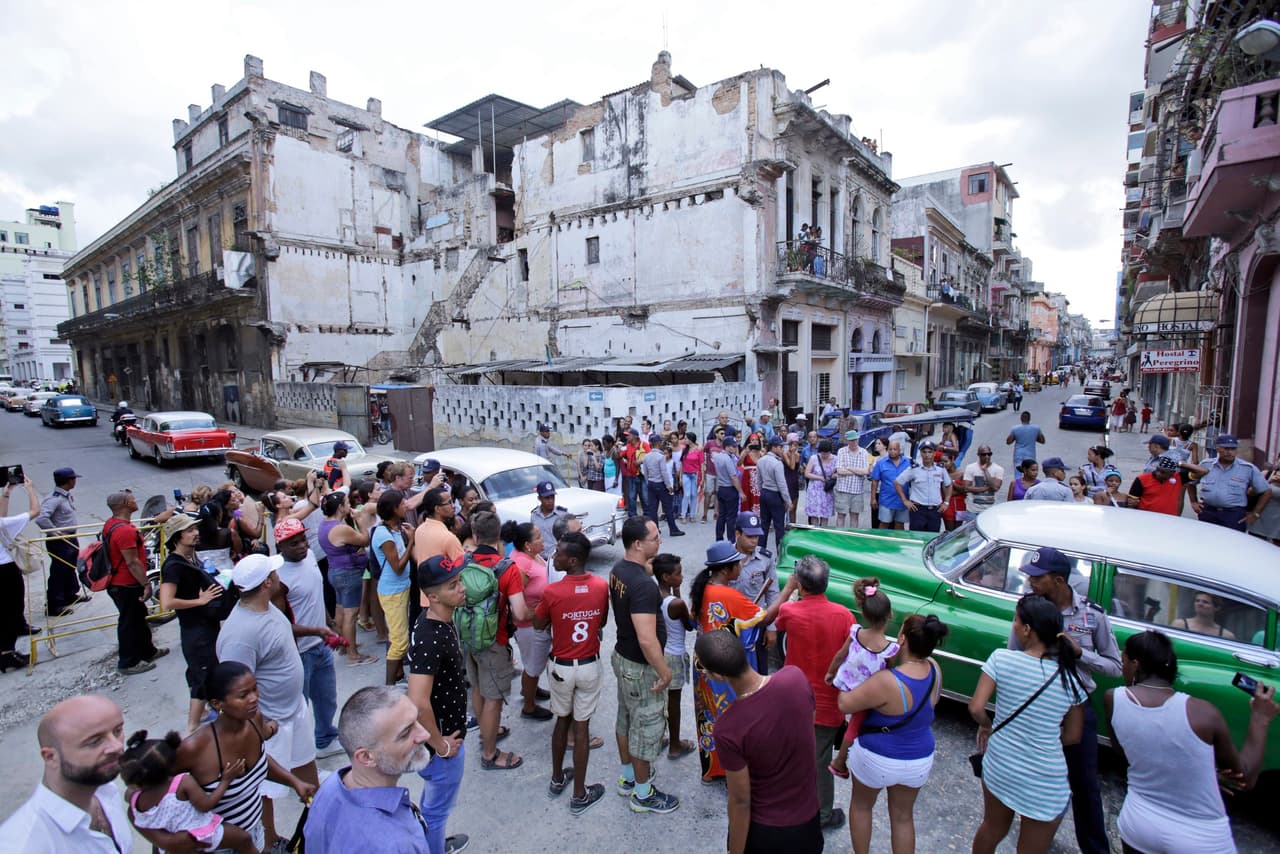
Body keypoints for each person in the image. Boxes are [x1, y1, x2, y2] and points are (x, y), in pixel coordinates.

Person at [1105, 630, 1278, 854]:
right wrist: (1261, 719)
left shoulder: (1113, 698)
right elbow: (1244, 778)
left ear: (1136, 664)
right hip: (1200, 838)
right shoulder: (1202, 713)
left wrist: (1202, 769)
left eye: (1123, 660)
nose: (1122, 667)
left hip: (1139, 825)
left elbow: (1127, 753)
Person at [1011, 547, 1120, 854]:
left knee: (1085, 785)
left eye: (1038, 577)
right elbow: (1014, 654)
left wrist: (1081, 653)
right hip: (1039, 708)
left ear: (1058, 580)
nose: (1031, 583)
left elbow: (1114, 666)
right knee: (1032, 778)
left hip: (1076, 708)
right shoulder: (1028, 609)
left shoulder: (1092, 615)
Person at [216, 553, 321, 849]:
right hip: (270, 722)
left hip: (293, 711)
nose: (279, 575)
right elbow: (233, 689)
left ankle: (320, 815)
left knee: (305, 765)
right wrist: (258, 725)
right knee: (264, 789)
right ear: (267, 583)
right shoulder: (240, 634)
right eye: (275, 573)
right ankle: (270, 840)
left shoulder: (268, 607)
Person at [970, 594, 1087, 854]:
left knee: (991, 829)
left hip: (1001, 763)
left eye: (1015, 620)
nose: (1013, 625)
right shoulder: (1070, 680)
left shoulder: (1002, 659)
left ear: (1027, 630)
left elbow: (976, 708)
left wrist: (987, 725)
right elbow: (1073, 736)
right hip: (1045, 780)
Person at [158, 662, 315, 854]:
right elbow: (153, 795)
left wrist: (294, 781)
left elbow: (260, 761)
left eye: (255, 689)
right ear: (217, 704)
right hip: (215, 848)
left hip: (253, 834)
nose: (254, 698)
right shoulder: (193, 749)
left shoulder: (254, 719)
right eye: (243, 695)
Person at [695, 629, 823, 854]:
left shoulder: (728, 728)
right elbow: (807, 729)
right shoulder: (794, 677)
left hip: (766, 832)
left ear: (716, 675)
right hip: (808, 821)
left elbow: (741, 801)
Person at [839, 614, 948, 854]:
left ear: (903, 639)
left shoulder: (886, 681)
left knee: (861, 806)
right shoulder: (935, 669)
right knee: (902, 817)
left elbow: (845, 704)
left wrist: (849, 673)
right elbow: (932, 702)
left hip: (877, 757)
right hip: (918, 758)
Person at [691, 540, 797, 783]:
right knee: (732, 717)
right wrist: (788, 590)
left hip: (703, 661)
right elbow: (765, 617)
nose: (741, 567)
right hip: (724, 663)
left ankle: (711, 770)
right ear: (727, 569)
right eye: (738, 563)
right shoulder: (728, 594)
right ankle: (734, 773)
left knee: (707, 714)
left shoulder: (703, 588)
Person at [775, 556, 854, 832]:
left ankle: (791, 803)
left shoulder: (791, 611)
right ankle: (821, 814)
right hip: (828, 704)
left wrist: (788, 590)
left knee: (793, 753)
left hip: (794, 698)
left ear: (801, 585)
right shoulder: (845, 615)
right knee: (820, 761)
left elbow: (777, 620)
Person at [304, 686, 432, 853]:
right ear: (365, 757)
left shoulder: (329, 787)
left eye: (417, 721)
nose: (425, 734)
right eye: (406, 733)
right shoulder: (396, 844)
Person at [533, 531, 609, 814]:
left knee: (561, 722)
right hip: (588, 664)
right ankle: (579, 793)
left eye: (561, 553)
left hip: (560, 667)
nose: (555, 556)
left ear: (574, 560)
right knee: (582, 727)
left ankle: (557, 778)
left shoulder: (552, 592)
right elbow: (601, 620)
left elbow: (540, 625)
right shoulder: (600, 587)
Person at [609, 516, 679, 814]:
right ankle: (642, 793)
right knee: (645, 727)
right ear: (637, 544)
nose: (659, 541)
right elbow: (648, 640)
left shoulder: (620, 569)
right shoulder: (642, 586)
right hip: (640, 667)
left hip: (623, 658)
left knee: (625, 719)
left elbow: (645, 569)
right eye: (654, 537)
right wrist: (665, 672)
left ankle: (628, 777)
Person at [0, 695, 132, 852]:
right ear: (50, 757)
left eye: (117, 731)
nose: (117, 746)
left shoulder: (104, 789)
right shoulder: (25, 846)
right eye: (95, 742)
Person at [406, 555, 471, 854]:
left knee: (436, 805)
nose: (461, 588)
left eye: (459, 581)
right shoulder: (431, 637)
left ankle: (433, 841)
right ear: (432, 596)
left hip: (446, 736)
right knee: (436, 810)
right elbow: (417, 701)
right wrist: (442, 746)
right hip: (443, 744)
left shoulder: (439, 620)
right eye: (452, 586)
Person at [272, 519, 346, 760]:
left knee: (327, 699)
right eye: (294, 543)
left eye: (303, 539)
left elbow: (316, 596)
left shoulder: (311, 558)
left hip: (320, 645)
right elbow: (281, 626)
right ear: (281, 546)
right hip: (298, 654)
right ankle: (295, 759)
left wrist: (329, 623)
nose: (302, 545)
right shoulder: (278, 580)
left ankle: (324, 740)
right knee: (298, 710)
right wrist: (317, 631)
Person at [119, 729, 256, 854]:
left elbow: (135, 810)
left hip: (171, 848)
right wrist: (225, 780)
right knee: (244, 839)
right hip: (201, 835)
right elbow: (206, 806)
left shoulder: (134, 801)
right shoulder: (182, 783)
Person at [158, 514, 233, 734]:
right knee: (203, 676)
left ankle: (201, 713)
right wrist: (199, 600)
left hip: (206, 625)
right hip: (195, 630)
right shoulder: (173, 565)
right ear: (177, 537)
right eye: (189, 530)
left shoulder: (192, 557)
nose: (195, 533)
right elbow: (166, 602)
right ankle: (191, 729)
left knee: (198, 672)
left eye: (195, 529)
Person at [826, 579, 899, 783]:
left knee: (839, 713)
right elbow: (888, 673)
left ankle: (834, 734)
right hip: (865, 694)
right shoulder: (890, 650)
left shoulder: (855, 632)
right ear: (889, 615)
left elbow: (840, 655)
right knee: (856, 723)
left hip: (844, 683)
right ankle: (839, 761)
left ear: (864, 613)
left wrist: (830, 673)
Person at [103, 490, 171, 675]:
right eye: (132, 499)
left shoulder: (112, 524)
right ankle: (128, 662)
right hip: (126, 584)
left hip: (123, 582)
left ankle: (147, 651)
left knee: (139, 618)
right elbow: (132, 562)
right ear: (125, 503)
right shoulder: (124, 530)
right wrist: (146, 584)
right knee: (129, 622)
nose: (135, 501)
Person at [319, 491, 378, 666]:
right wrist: (359, 519)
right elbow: (364, 540)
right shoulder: (341, 528)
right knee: (351, 614)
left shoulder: (325, 524)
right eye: (346, 502)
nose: (349, 505)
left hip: (335, 571)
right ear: (340, 508)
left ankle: (345, 644)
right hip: (348, 573)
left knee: (340, 610)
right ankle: (354, 654)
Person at [504, 521, 554, 721]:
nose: (543, 540)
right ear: (527, 545)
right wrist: (534, 612)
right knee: (533, 665)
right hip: (528, 626)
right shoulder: (520, 565)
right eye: (539, 537)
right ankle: (529, 706)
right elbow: (513, 597)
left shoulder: (530, 556)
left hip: (537, 622)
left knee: (535, 663)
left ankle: (531, 690)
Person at [654, 553, 696, 760]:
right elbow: (690, 625)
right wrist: (681, 596)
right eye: (678, 573)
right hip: (674, 654)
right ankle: (675, 745)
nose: (681, 576)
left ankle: (660, 737)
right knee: (674, 702)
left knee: (660, 699)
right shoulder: (676, 604)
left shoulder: (653, 596)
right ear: (665, 577)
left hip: (659, 653)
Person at [728, 511, 781, 673]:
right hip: (730, 627)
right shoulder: (725, 556)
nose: (754, 541)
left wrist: (772, 628)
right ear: (737, 534)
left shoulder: (765, 559)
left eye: (756, 537)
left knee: (759, 673)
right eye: (749, 536)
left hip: (757, 626)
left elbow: (773, 593)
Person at [372, 489, 416, 685]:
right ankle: (389, 687)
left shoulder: (395, 529)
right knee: (399, 642)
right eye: (402, 504)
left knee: (397, 634)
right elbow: (397, 567)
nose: (405, 505)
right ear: (394, 509)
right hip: (393, 591)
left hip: (400, 588)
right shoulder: (384, 535)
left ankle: (398, 675)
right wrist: (412, 541)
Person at [1187, 434, 1271, 532]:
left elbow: (1266, 491)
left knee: (1232, 544)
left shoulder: (1247, 468)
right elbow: (1191, 482)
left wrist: (1255, 514)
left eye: (1233, 449)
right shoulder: (1206, 465)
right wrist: (1193, 502)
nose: (1230, 452)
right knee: (1205, 542)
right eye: (1226, 448)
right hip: (1208, 511)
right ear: (1217, 448)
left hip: (1233, 515)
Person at [0, 474, 41, 671]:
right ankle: (7, 654)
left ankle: (6, 651)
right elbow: (35, 511)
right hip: (5, 570)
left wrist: (6, 495)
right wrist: (30, 489)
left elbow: (2, 517)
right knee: (12, 610)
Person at [32, 466, 84, 618]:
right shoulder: (54, 499)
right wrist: (55, 532)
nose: (75, 481)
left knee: (69, 567)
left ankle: (70, 594)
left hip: (70, 537)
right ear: (69, 481)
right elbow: (41, 518)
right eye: (74, 479)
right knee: (59, 570)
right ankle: (55, 604)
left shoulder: (66, 496)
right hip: (60, 540)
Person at [893, 440, 952, 532]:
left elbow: (948, 484)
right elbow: (897, 483)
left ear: (934, 453)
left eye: (930, 452)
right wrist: (905, 501)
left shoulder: (940, 469)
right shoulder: (914, 469)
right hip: (918, 510)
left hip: (935, 510)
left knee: (932, 538)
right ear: (921, 453)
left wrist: (946, 502)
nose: (927, 455)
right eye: (924, 452)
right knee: (916, 538)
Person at [641, 440, 685, 536]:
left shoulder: (646, 457)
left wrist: (648, 482)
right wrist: (669, 486)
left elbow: (645, 471)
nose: (661, 444)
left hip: (651, 483)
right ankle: (673, 529)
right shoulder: (661, 457)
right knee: (668, 507)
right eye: (660, 442)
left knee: (653, 509)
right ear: (657, 444)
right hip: (660, 484)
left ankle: (654, 530)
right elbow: (664, 472)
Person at [755, 435, 791, 549]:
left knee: (764, 524)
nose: (782, 449)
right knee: (779, 526)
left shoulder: (761, 460)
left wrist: (763, 491)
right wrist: (788, 500)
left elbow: (759, 481)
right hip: (775, 495)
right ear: (774, 447)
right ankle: (780, 554)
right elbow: (782, 484)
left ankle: (760, 552)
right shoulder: (777, 463)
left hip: (765, 493)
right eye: (780, 447)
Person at [869, 440, 911, 530]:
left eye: (895, 449)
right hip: (886, 500)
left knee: (899, 524)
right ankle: (881, 543)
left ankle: (897, 543)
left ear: (900, 450)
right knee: (884, 523)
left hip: (902, 500)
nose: (892, 451)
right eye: (890, 449)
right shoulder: (881, 463)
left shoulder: (908, 462)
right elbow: (875, 481)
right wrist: (873, 498)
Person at [833, 430, 871, 529]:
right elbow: (839, 471)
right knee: (841, 514)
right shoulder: (841, 451)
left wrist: (849, 468)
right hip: (842, 489)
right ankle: (840, 536)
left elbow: (866, 471)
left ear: (858, 439)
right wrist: (857, 472)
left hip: (857, 490)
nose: (853, 442)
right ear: (847, 441)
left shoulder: (864, 452)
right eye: (851, 440)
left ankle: (852, 536)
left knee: (855, 515)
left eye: (855, 440)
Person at [712, 437, 746, 541]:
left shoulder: (718, 457)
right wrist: (741, 492)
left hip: (721, 488)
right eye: (732, 446)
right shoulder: (728, 459)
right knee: (731, 517)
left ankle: (719, 538)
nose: (734, 448)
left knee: (721, 515)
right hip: (730, 489)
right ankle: (731, 540)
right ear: (727, 446)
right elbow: (734, 477)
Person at [531, 480, 573, 557]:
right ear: (539, 498)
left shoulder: (562, 515)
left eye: (552, 497)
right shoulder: (534, 516)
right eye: (547, 498)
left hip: (558, 558)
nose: (551, 501)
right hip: (541, 559)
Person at [961, 445, 1005, 517]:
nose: (987, 456)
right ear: (978, 455)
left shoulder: (998, 469)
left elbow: (995, 488)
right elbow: (966, 488)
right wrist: (986, 488)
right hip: (973, 510)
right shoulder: (970, 467)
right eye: (984, 454)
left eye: (989, 454)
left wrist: (985, 470)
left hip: (990, 510)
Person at [803, 439, 836, 526]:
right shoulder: (814, 458)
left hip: (826, 490)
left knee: (825, 515)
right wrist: (820, 478)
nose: (825, 455)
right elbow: (807, 473)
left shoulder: (835, 459)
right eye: (823, 453)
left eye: (827, 453)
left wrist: (833, 476)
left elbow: (837, 472)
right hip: (814, 490)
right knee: (814, 515)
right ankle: (814, 533)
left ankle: (823, 533)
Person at [679, 434, 704, 524]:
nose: (684, 440)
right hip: (685, 474)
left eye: (686, 438)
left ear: (691, 439)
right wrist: (680, 477)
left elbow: (702, 465)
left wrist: (702, 479)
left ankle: (692, 515)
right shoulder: (684, 449)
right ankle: (683, 515)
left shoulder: (699, 450)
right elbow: (682, 464)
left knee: (694, 495)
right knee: (686, 495)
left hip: (695, 474)